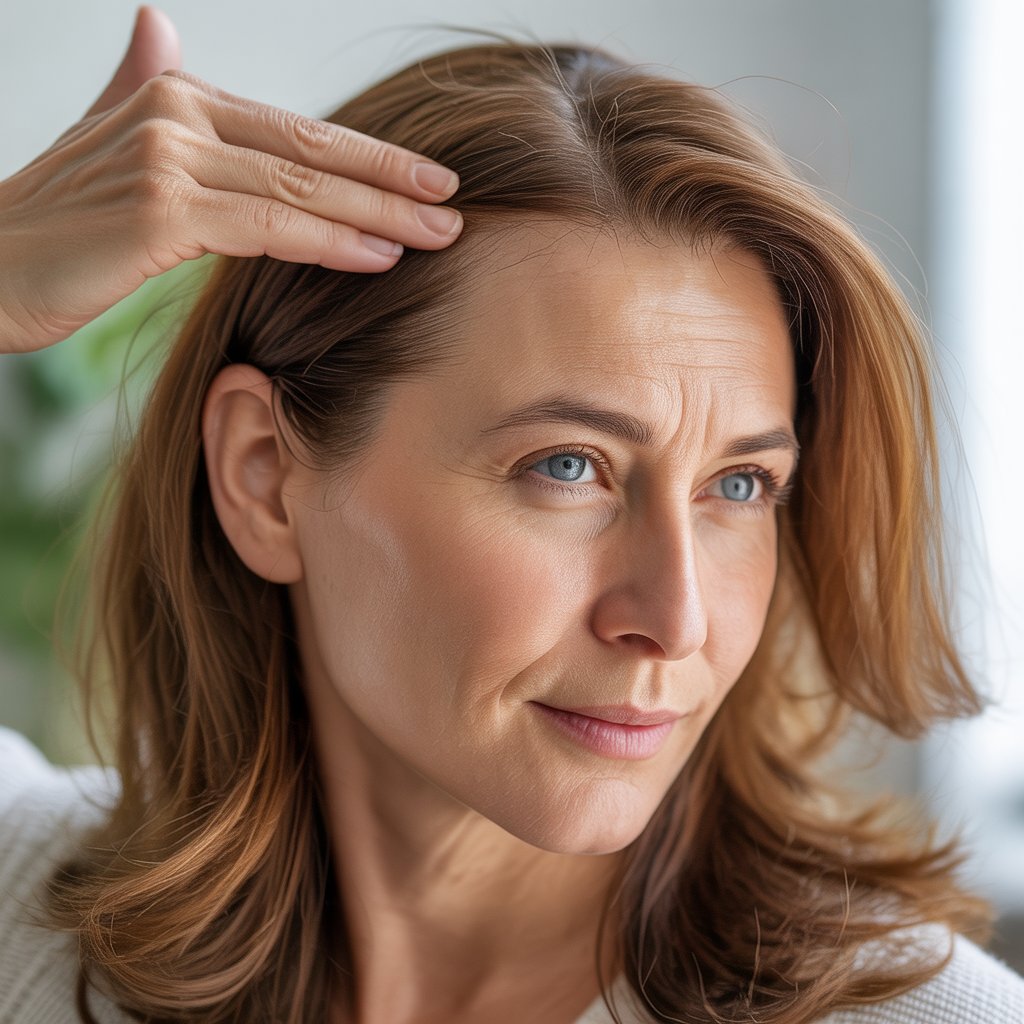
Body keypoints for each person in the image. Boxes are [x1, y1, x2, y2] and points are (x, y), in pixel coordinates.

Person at [1, 6, 1022, 1024]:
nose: (676, 619)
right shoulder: (32, 922)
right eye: (568, 466)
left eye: (740, 485)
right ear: (265, 475)